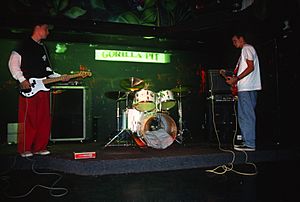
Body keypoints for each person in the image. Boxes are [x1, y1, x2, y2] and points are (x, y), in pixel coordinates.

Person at [8, 22, 70, 157]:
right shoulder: (24, 45)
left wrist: (61, 77)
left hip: (44, 88)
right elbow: (13, 63)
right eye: (46, 29)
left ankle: (40, 147)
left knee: (44, 119)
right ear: (37, 27)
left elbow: (48, 70)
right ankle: (25, 149)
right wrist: (21, 79)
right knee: (28, 119)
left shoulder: (44, 48)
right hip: (29, 87)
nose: (48, 32)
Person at [221, 32, 262, 151]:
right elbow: (246, 69)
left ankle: (249, 143)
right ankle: (247, 142)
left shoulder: (246, 48)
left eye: (235, 40)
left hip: (247, 88)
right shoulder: (246, 50)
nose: (234, 43)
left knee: (246, 115)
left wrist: (236, 79)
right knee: (245, 115)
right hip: (248, 87)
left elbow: (250, 67)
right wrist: (231, 78)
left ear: (241, 38)